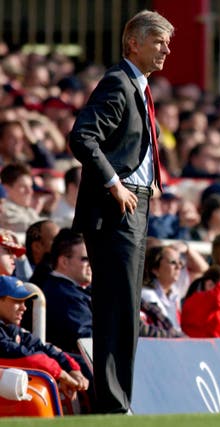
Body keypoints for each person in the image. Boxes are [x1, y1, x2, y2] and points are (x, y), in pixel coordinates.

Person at [68, 10, 174, 414]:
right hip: (118, 206)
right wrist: (115, 184)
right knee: (116, 308)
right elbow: (82, 137)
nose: (165, 50)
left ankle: (119, 400)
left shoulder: (137, 86)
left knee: (125, 307)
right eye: (158, 41)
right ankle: (113, 403)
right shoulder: (118, 82)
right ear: (134, 43)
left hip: (135, 201)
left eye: (167, 42)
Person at [0, 275, 89, 401]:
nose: (24, 307)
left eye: (24, 302)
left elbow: (41, 347)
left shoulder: (11, 328)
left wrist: (72, 369)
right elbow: (24, 356)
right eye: (17, 301)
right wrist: (61, 374)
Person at [39, 229, 92, 354]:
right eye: (85, 259)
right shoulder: (62, 294)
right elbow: (87, 339)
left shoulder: (73, 290)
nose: (91, 264)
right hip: (75, 366)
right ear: (64, 261)